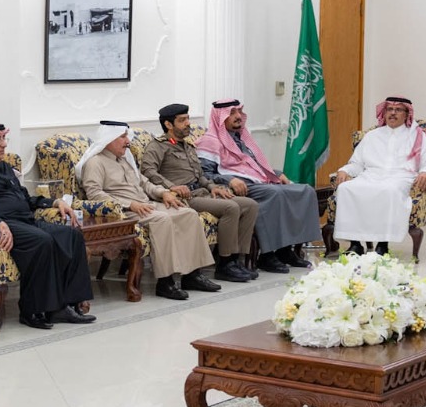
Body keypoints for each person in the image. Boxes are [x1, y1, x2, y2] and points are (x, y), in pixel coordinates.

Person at [0, 121, 95, 330]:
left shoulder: (5, 167)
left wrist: (54, 202)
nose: (3, 144)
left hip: (26, 220)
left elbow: (26, 198)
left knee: (72, 235)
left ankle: (65, 306)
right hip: (1, 225)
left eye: (3, 138)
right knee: (41, 241)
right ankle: (31, 310)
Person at [77, 120, 221, 301]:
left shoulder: (125, 159)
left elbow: (145, 183)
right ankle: (165, 282)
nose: (127, 141)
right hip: (124, 211)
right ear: (109, 139)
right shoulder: (95, 162)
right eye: (122, 137)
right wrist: (129, 204)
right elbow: (94, 194)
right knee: (162, 219)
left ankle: (192, 276)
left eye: (126, 136)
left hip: (146, 204)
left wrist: (164, 193)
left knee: (188, 214)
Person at [194, 98, 320, 274]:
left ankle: (286, 250)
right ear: (220, 117)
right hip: (239, 185)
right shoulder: (210, 141)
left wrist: (276, 173)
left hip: (258, 180)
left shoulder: (241, 137)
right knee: (274, 193)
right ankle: (267, 255)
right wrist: (230, 180)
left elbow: (254, 164)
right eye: (232, 113)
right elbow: (204, 174)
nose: (238, 116)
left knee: (305, 191)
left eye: (239, 111)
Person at [138, 104, 261, 283]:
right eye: (182, 120)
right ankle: (225, 264)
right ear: (168, 124)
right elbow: (148, 172)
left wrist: (212, 187)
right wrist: (171, 187)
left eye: (188, 119)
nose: (188, 123)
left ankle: (237, 259)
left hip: (202, 191)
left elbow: (200, 175)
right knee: (230, 207)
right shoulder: (157, 146)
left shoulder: (188, 146)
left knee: (250, 205)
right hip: (185, 198)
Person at [334, 96, 426, 254]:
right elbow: (357, 163)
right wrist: (344, 170)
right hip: (371, 175)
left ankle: (382, 244)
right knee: (346, 189)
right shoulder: (372, 136)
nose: (393, 113)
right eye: (389, 109)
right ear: (384, 113)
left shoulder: (417, 136)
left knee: (389, 191)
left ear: (407, 114)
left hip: (401, 177)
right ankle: (355, 244)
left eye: (398, 110)